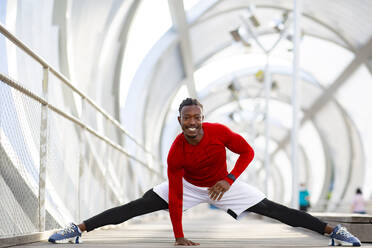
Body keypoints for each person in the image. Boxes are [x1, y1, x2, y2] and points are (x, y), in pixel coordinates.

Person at [48, 98, 361, 246]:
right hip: (187, 184)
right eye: (187, 118)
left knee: (275, 210)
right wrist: (180, 236)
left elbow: (248, 152)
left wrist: (229, 179)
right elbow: (174, 197)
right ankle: (78, 228)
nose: (193, 122)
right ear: (180, 120)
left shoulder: (219, 132)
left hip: (224, 183)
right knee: (135, 207)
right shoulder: (176, 152)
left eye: (197, 116)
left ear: (202, 117)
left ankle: (332, 231)